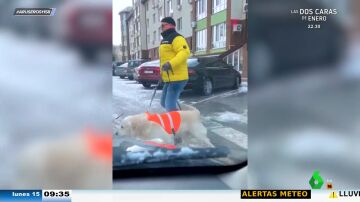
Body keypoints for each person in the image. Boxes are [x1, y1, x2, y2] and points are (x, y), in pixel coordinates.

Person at [159, 17, 190, 112]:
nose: (161, 28)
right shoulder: (164, 40)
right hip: (169, 78)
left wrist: (170, 64)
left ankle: (175, 126)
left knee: (170, 106)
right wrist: (162, 75)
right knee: (163, 103)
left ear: (170, 25)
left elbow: (184, 52)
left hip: (178, 78)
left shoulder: (177, 38)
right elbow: (164, 59)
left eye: (163, 25)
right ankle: (180, 117)